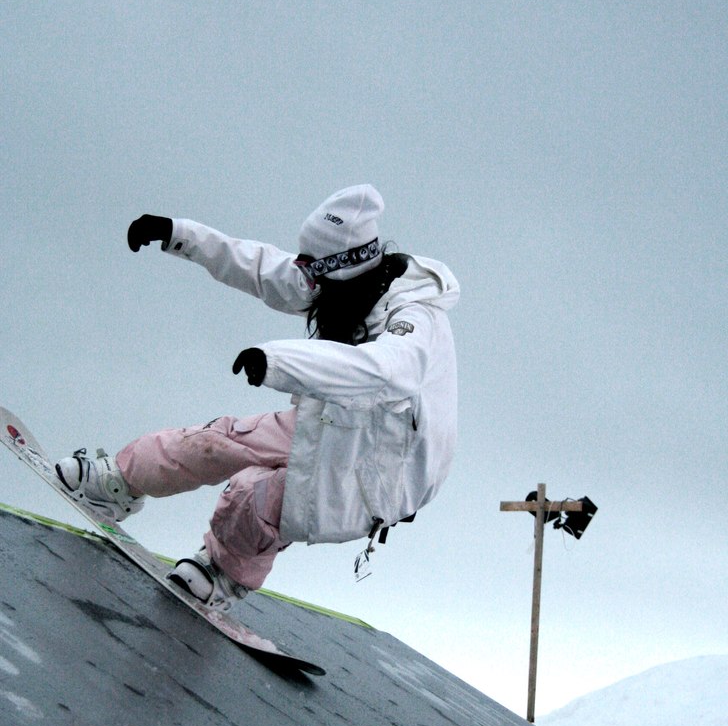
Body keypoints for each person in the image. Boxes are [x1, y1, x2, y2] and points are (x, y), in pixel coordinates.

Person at [56, 185, 459, 609]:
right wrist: (179, 233)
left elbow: (385, 371)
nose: (307, 285)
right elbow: (261, 267)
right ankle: (119, 483)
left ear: (343, 269)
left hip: (382, 470)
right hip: (334, 421)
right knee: (218, 439)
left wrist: (277, 362)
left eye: (314, 276)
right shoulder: (342, 281)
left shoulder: (415, 316)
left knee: (256, 493)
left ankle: (223, 573)